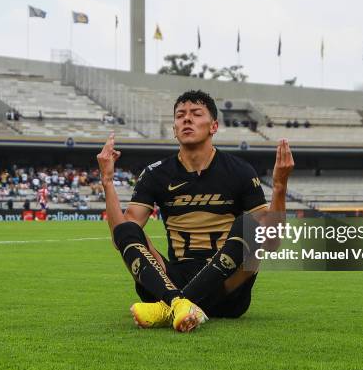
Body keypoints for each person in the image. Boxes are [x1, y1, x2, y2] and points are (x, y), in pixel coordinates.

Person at [97, 90, 293, 333]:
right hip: (173, 278)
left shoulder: (240, 171)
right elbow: (122, 238)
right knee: (127, 229)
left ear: (214, 126)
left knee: (252, 225)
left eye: (196, 114)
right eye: (180, 116)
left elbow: (272, 241)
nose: (186, 119)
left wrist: (279, 187)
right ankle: (180, 303)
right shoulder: (156, 174)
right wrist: (107, 181)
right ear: (174, 128)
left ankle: (171, 305)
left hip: (226, 288)